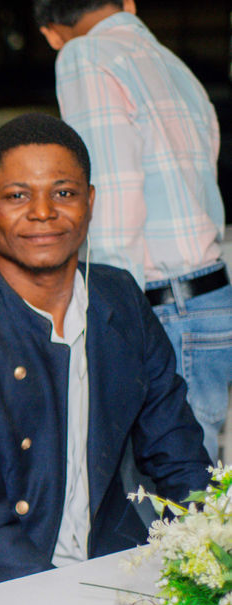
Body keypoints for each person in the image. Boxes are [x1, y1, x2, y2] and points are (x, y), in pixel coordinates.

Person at [0, 113, 212, 592]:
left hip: (116, 564)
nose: (43, 212)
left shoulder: (119, 299)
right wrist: (73, 603)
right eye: (17, 196)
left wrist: (210, 553)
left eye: (64, 192)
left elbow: (177, 453)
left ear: (90, 202)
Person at [33, 0, 230, 459]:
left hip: (161, 307)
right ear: (127, 4)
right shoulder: (172, 64)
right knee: (193, 483)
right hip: (210, 299)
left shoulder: (85, 54)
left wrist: (108, 319)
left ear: (50, 33)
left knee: (160, 488)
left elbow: (113, 200)